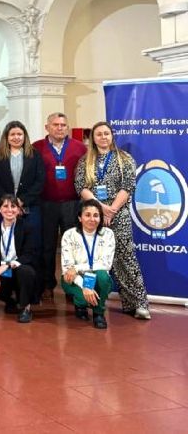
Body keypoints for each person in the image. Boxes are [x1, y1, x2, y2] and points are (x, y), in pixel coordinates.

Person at [75, 121, 150, 320]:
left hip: (119, 214)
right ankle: (89, 302)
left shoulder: (125, 159)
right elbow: (81, 187)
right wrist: (100, 210)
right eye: (99, 134)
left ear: (112, 136)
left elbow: (128, 187)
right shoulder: (85, 161)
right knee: (94, 259)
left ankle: (138, 303)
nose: (103, 137)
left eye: (106, 134)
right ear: (93, 138)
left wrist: (112, 210)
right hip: (93, 216)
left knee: (126, 258)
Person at [32, 112, 87, 301]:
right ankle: (48, 284)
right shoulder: (36, 147)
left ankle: (72, 286)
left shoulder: (80, 148)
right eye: (55, 124)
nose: (60, 128)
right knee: (47, 246)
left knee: (72, 246)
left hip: (72, 204)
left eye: (63, 125)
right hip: (46, 204)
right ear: (47, 127)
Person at [0, 120, 45, 297]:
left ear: (25, 136)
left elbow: (40, 181)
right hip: (6, 209)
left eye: (19, 134)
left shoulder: (34, 155)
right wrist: (9, 204)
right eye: (12, 134)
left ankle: (32, 289)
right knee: (5, 245)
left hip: (29, 207)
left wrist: (21, 202)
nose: (16, 137)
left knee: (31, 246)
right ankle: (6, 286)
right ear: (7, 137)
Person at [61, 199, 115, 329]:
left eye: (96, 215)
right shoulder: (69, 235)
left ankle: (99, 314)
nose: (92, 219)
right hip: (74, 278)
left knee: (103, 276)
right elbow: (68, 269)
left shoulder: (108, 234)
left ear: (100, 218)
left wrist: (78, 267)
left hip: (96, 276)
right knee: (82, 295)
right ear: (80, 218)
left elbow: (105, 264)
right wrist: (85, 286)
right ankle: (80, 305)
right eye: (87, 215)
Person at [0, 195, 37, 323]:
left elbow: (29, 255)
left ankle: (26, 308)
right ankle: (9, 301)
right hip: (1, 270)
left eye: (13, 206)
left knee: (26, 271)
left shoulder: (27, 228)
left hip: (18, 268)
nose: (9, 210)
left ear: (19, 210)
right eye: (5, 206)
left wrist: (7, 265)